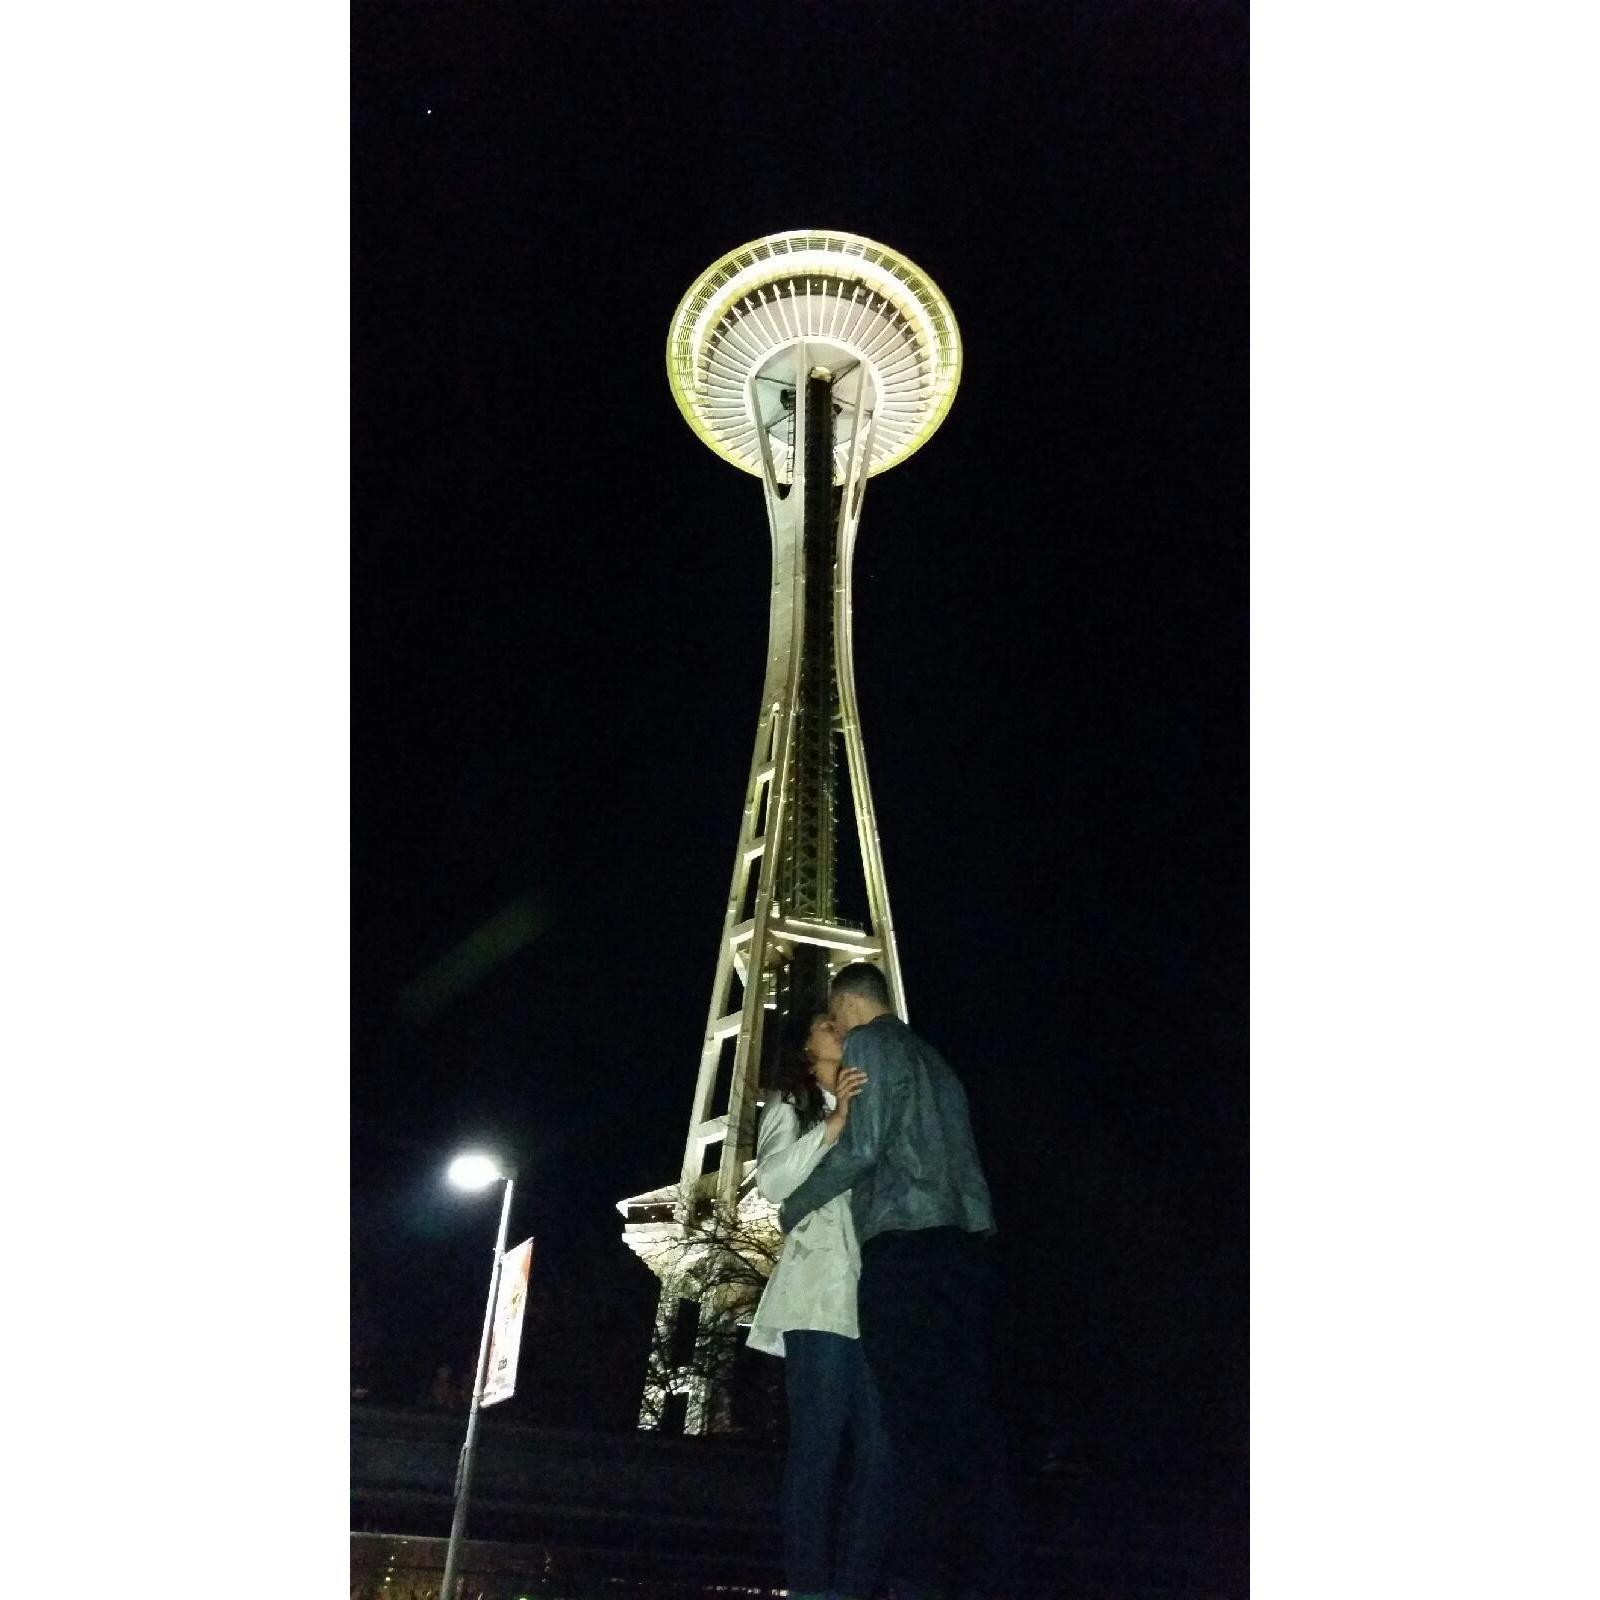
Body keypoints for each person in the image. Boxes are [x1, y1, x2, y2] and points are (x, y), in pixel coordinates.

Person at [779, 964, 1022, 1600]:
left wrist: (794, 1205)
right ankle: (982, 1572)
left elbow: (863, 1152)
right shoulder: (937, 1063)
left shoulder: (870, 1045)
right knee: (961, 1422)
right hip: (963, 1254)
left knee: (907, 1427)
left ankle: (915, 1579)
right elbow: (970, 1174)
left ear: (845, 1005)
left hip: (905, 1256)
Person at [748, 1011, 895, 1600]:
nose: (836, 1027)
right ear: (808, 1047)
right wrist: (833, 1124)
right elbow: (774, 1182)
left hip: (873, 1299)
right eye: (824, 1023)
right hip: (816, 1300)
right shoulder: (790, 1105)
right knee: (819, 1445)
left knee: (882, 1449)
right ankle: (810, 1588)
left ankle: (853, 1589)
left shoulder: (877, 1100)